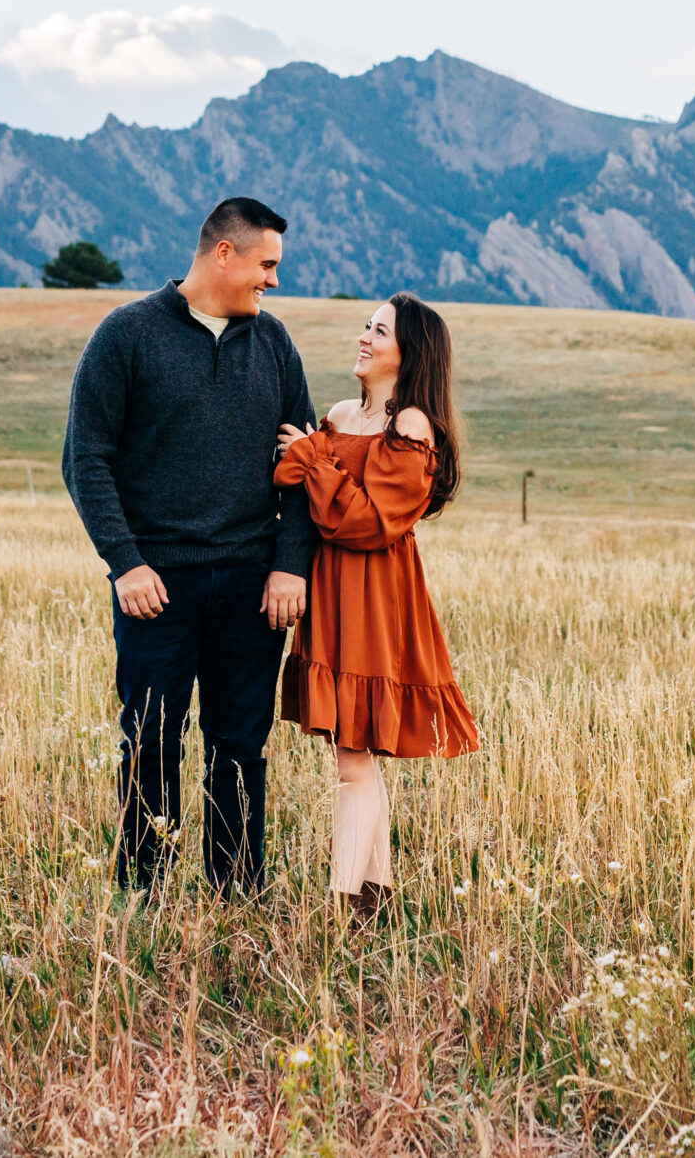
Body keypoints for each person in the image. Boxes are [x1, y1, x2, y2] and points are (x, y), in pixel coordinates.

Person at [62, 197, 316, 896]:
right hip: (157, 586)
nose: (273, 280)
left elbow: (304, 465)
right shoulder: (128, 336)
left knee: (240, 746)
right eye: (266, 264)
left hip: (249, 586)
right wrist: (125, 560)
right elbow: (86, 458)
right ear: (223, 254)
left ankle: (236, 892)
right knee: (151, 742)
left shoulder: (275, 345)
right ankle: (145, 890)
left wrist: (291, 562)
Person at [276, 291, 479, 920]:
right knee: (353, 750)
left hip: (373, 595)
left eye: (379, 330)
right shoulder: (339, 413)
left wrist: (312, 457)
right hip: (331, 589)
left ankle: (340, 908)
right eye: (366, 325)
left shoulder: (411, 425)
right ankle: (374, 899)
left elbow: (367, 522)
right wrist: (311, 459)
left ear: (409, 351)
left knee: (352, 756)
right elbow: (301, 491)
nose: (364, 337)